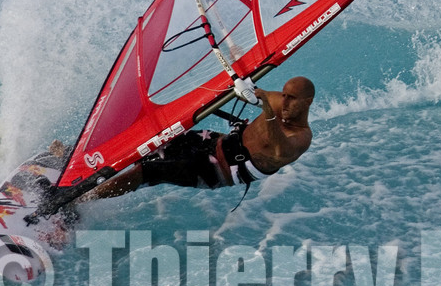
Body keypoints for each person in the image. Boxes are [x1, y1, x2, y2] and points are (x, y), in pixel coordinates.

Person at [75, 76, 315, 201]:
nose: (284, 101)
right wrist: (242, 84)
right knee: (155, 139)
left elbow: (278, 149)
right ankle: (83, 163)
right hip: (216, 142)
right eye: (283, 95)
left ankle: (81, 200)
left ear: (307, 102)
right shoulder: (278, 102)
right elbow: (248, 91)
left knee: (147, 172)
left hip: (218, 171)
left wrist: (268, 110)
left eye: (292, 98)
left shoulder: (300, 137)